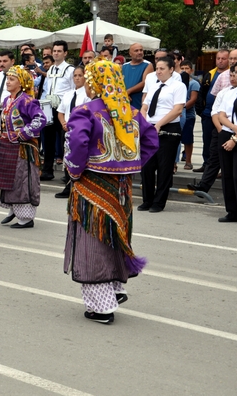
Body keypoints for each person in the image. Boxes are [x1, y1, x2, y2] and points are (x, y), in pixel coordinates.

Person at [63, 57, 158, 324]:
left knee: (92, 242)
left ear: (94, 84)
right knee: (115, 236)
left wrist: (74, 171)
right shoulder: (133, 112)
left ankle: (102, 306)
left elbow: (77, 146)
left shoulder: (85, 111)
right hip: (122, 190)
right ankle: (116, 288)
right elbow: (151, 142)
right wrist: (130, 164)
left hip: (92, 184)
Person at [0, 66, 46, 228]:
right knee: (5, 180)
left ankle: (26, 218)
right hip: (6, 146)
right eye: (8, 79)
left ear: (21, 83)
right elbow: (3, 119)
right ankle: (13, 209)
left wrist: (23, 133)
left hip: (22, 149)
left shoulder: (27, 100)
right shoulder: (7, 100)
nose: (8, 82)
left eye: (12, 79)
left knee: (21, 181)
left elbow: (40, 119)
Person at [139, 56, 186, 213]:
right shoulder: (153, 86)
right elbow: (144, 107)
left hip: (168, 129)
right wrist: (144, 123)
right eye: (157, 68)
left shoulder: (178, 86)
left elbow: (177, 110)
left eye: (162, 69)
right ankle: (147, 200)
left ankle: (159, 202)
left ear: (171, 69)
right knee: (147, 166)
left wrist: (159, 124)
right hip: (150, 128)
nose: (158, 72)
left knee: (164, 167)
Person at [188, 66, 237, 193]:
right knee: (214, 159)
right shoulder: (224, 92)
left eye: (235, 75)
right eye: (231, 75)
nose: (233, 78)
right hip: (222, 129)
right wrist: (221, 130)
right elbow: (215, 112)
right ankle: (203, 186)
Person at [55, 65, 91, 198]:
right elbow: (61, 112)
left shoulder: (87, 94)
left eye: (80, 75)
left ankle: (78, 185)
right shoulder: (68, 94)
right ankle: (68, 186)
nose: (77, 78)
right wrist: (63, 122)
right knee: (67, 158)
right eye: (75, 76)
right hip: (67, 129)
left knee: (78, 158)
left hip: (80, 131)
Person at [41, 40, 75, 181]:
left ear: (65, 53)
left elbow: (74, 90)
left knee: (64, 141)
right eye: (54, 51)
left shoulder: (70, 70)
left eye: (59, 51)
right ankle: (47, 170)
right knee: (47, 141)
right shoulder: (50, 69)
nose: (56, 53)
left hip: (63, 109)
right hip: (49, 107)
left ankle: (68, 173)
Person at [215, 59, 237, 225]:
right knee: (226, 175)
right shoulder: (230, 93)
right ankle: (232, 210)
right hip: (228, 134)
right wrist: (234, 128)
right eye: (236, 73)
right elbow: (221, 115)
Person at [179, 61, 200, 170]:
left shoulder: (194, 83)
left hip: (188, 115)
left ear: (191, 70)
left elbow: (193, 99)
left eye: (187, 68)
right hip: (176, 115)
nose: (184, 70)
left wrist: (180, 109)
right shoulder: (176, 83)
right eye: (182, 68)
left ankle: (188, 161)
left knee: (187, 139)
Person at [122, 43, 153, 110]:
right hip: (125, 100)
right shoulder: (124, 66)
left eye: (141, 50)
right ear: (130, 53)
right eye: (136, 51)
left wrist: (128, 92)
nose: (139, 52)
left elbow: (145, 82)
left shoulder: (148, 65)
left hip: (139, 101)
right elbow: (119, 82)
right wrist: (124, 94)